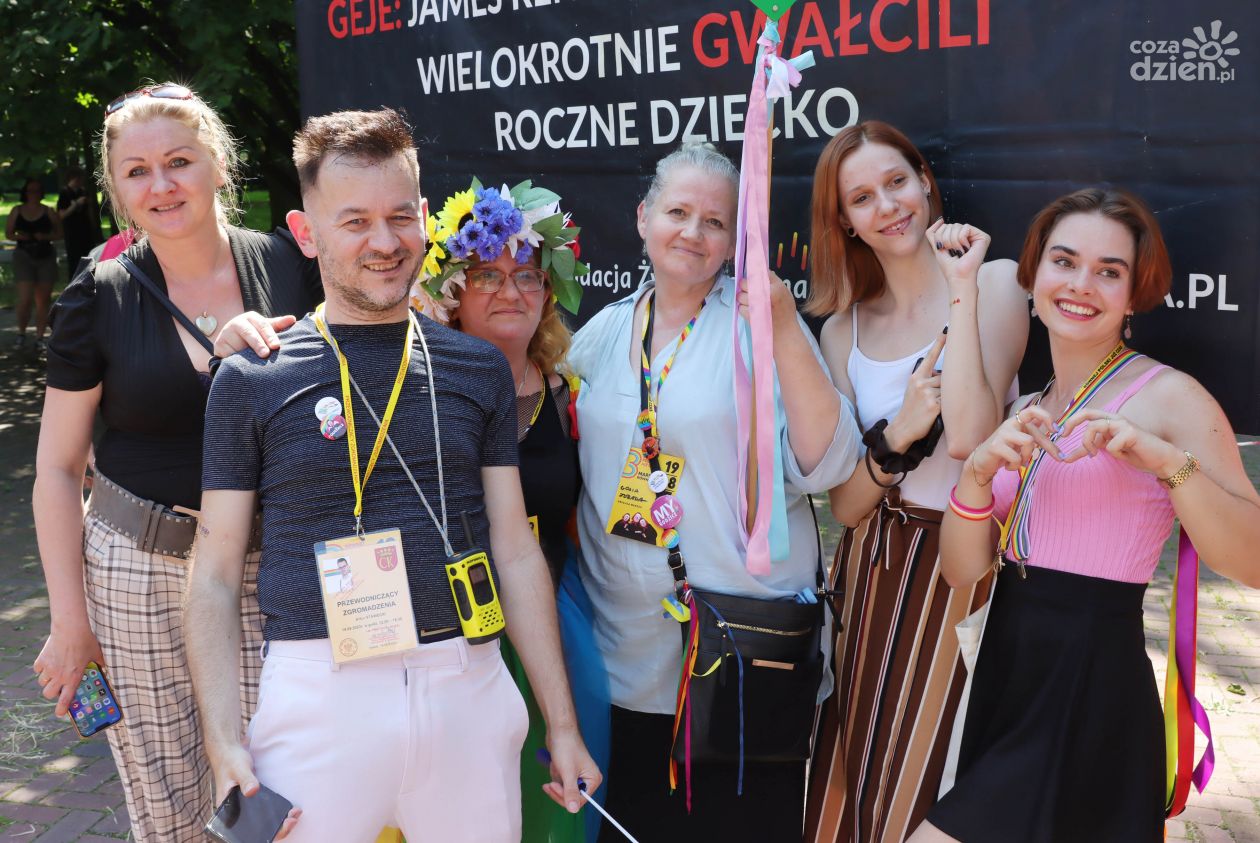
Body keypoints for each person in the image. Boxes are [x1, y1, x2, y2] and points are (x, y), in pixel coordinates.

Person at [186, 108, 600, 843]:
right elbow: (214, 573)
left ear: (424, 219)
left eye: (401, 216)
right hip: (319, 697)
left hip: (467, 687)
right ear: (306, 231)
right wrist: (222, 743)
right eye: (355, 222)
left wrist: (561, 725)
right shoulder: (253, 377)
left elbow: (514, 549)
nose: (384, 242)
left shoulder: (478, 368)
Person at [911, 187, 1260, 842]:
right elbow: (961, 571)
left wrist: (1167, 462)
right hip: (1007, 671)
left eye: (1109, 271)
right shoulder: (1028, 409)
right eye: (1065, 261)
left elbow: (1254, 561)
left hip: (1088, 680)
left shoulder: (1169, 396)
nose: (1081, 285)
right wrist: (977, 474)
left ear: (1134, 295)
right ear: (1035, 273)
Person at [31, 82, 322, 842]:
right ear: (117, 190)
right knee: (168, 809)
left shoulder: (293, 266)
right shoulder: (97, 297)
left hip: (269, 570)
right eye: (137, 171)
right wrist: (70, 621)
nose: (161, 185)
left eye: (179, 161)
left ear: (219, 165)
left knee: (279, 796)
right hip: (136, 571)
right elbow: (58, 469)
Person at [568, 142, 861, 841]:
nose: (693, 233)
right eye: (677, 212)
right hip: (624, 654)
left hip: (737, 659)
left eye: (715, 221)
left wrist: (783, 325)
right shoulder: (606, 330)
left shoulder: (756, 327)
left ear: (736, 241)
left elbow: (829, 464)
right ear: (643, 217)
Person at [802, 121, 1028, 842]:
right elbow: (846, 504)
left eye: (897, 182)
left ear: (926, 181)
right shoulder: (841, 332)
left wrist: (959, 287)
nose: (888, 206)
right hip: (869, 572)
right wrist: (897, 433)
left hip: (963, 563)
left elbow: (970, 436)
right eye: (862, 197)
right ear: (845, 219)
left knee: (936, 774)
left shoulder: (995, 281)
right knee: (854, 775)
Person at [414, 176, 609, 842]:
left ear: (548, 292)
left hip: (553, 625)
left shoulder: (569, 393)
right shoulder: (418, 388)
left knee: (552, 809)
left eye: (527, 276)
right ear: (453, 290)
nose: (511, 291)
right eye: (487, 276)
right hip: (449, 633)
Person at [6, 178, 62, 350]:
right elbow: (9, 233)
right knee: (25, 299)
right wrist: (20, 237)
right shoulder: (17, 210)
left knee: (43, 300)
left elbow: (59, 233)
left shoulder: (48, 211)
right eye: (31, 191)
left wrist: (44, 237)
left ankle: (39, 337)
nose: (34, 194)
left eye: (37, 191)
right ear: (25, 192)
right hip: (24, 255)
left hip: (45, 256)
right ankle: (21, 333)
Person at [57, 167, 102, 281]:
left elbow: (89, 211)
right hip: (71, 231)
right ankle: (74, 282)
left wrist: (93, 225)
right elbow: (62, 214)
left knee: (88, 257)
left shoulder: (83, 191)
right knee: (74, 258)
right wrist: (76, 204)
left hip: (85, 230)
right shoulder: (65, 193)